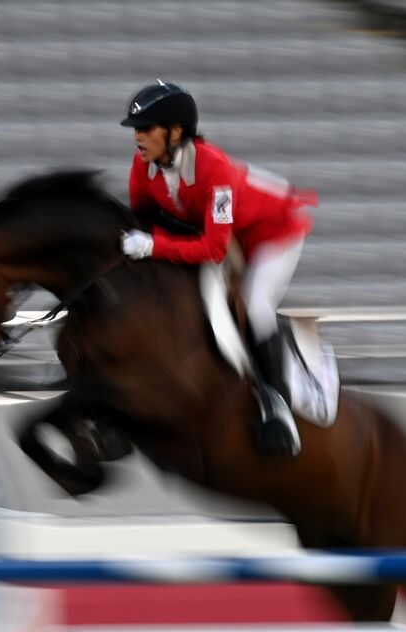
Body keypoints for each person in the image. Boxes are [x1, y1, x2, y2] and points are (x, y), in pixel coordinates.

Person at [119, 80, 314, 458]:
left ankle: (279, 408)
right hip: (229, 235)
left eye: (145, 129)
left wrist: (154, 246)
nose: (138, 138)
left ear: (175, 132)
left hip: (274, 232)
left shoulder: (214, 169)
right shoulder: (143, 166)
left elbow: (212, 248)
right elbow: (142, 222)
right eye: (136, 130)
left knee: (256, 304)